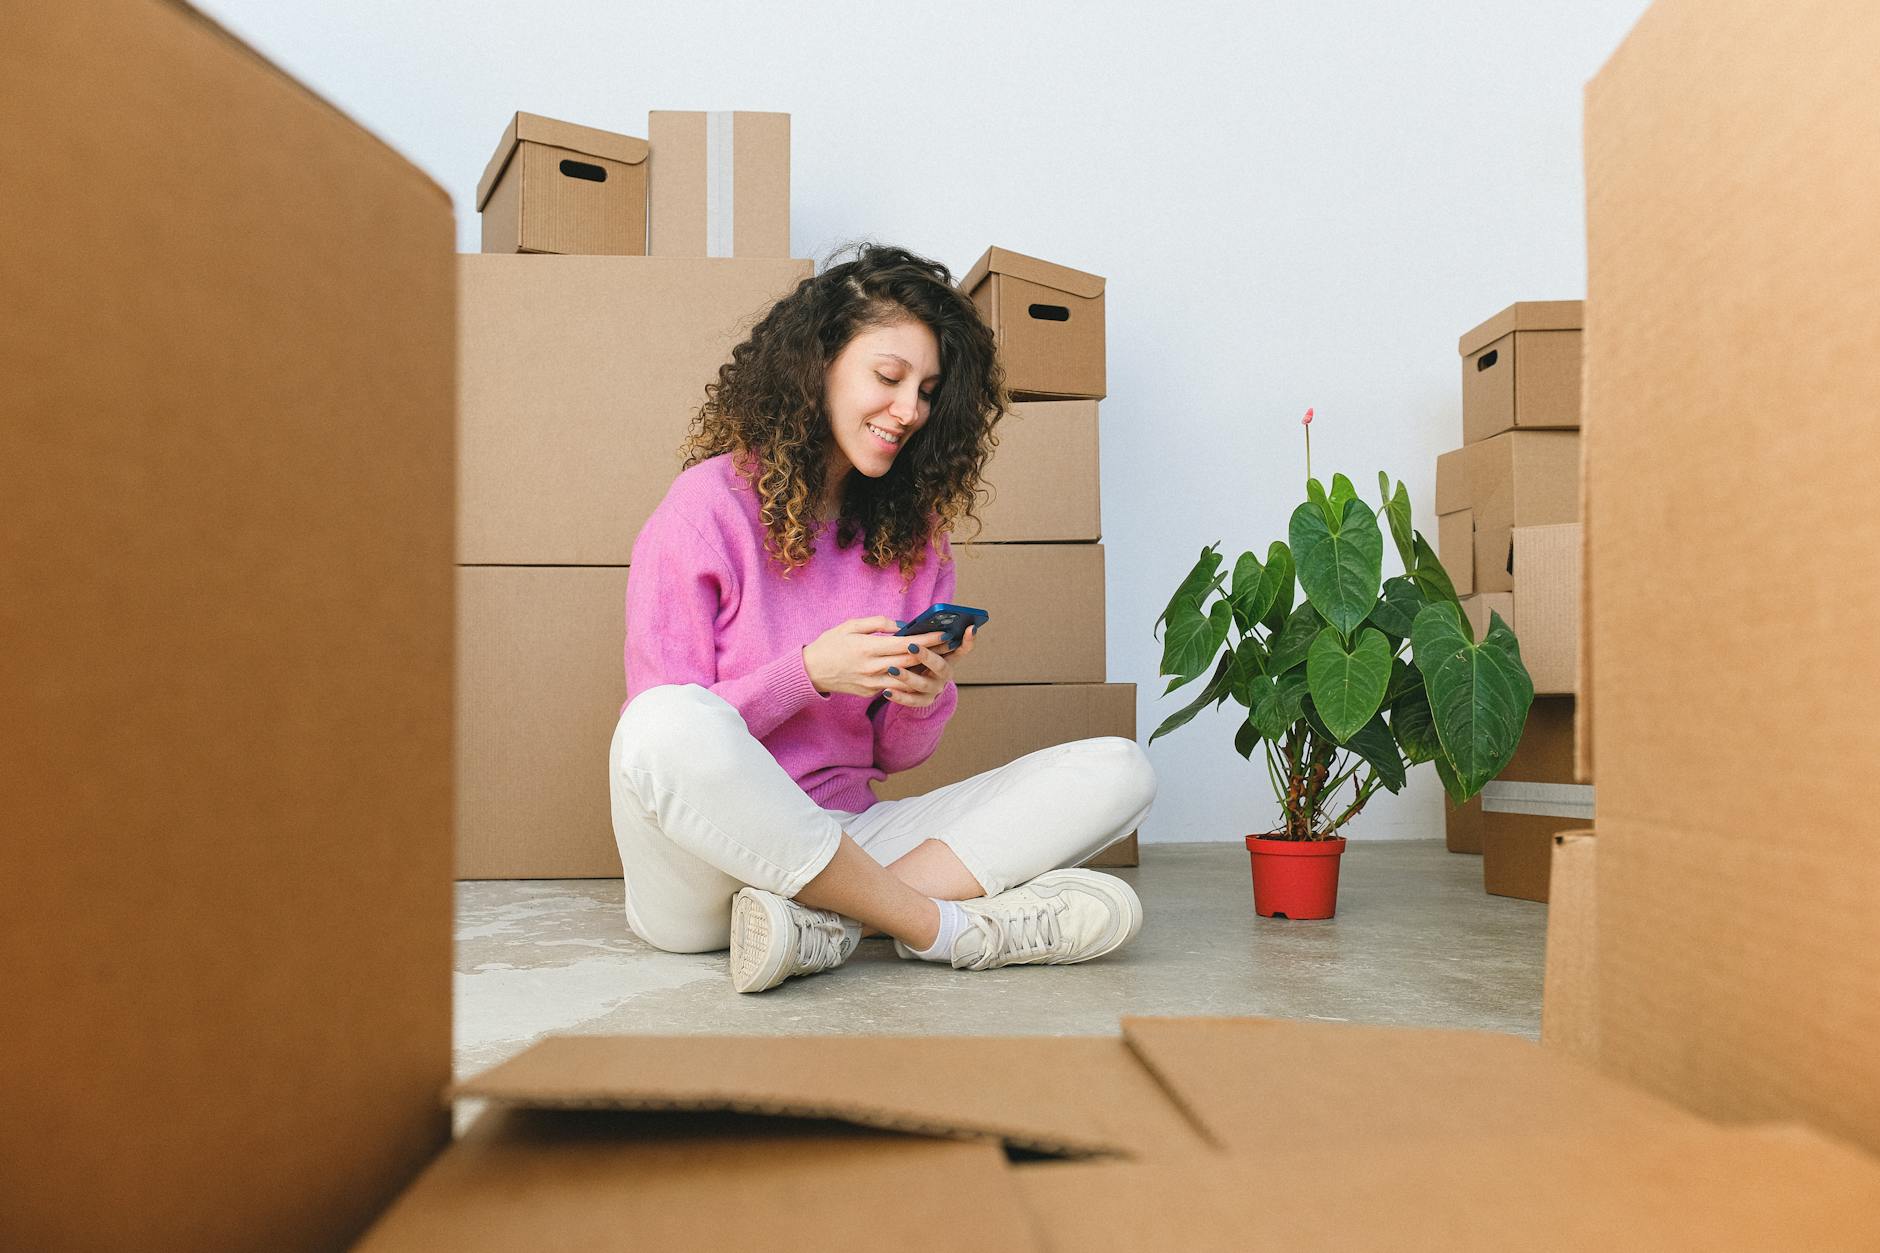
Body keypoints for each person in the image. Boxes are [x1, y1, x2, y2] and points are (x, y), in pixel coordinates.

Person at [608, 243, 1158, 994]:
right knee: (660, 723)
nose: (911, 411)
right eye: (889, 377)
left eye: (927, 390)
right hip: (704, 867)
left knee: (1120, 769)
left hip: (847, 836)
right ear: (818, 366)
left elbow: (895, 761)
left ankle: (825, 924)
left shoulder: (912, 535)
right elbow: (671, 737)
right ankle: (940, 927)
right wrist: (807, 673)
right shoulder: (706, 509)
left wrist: (922, 696)